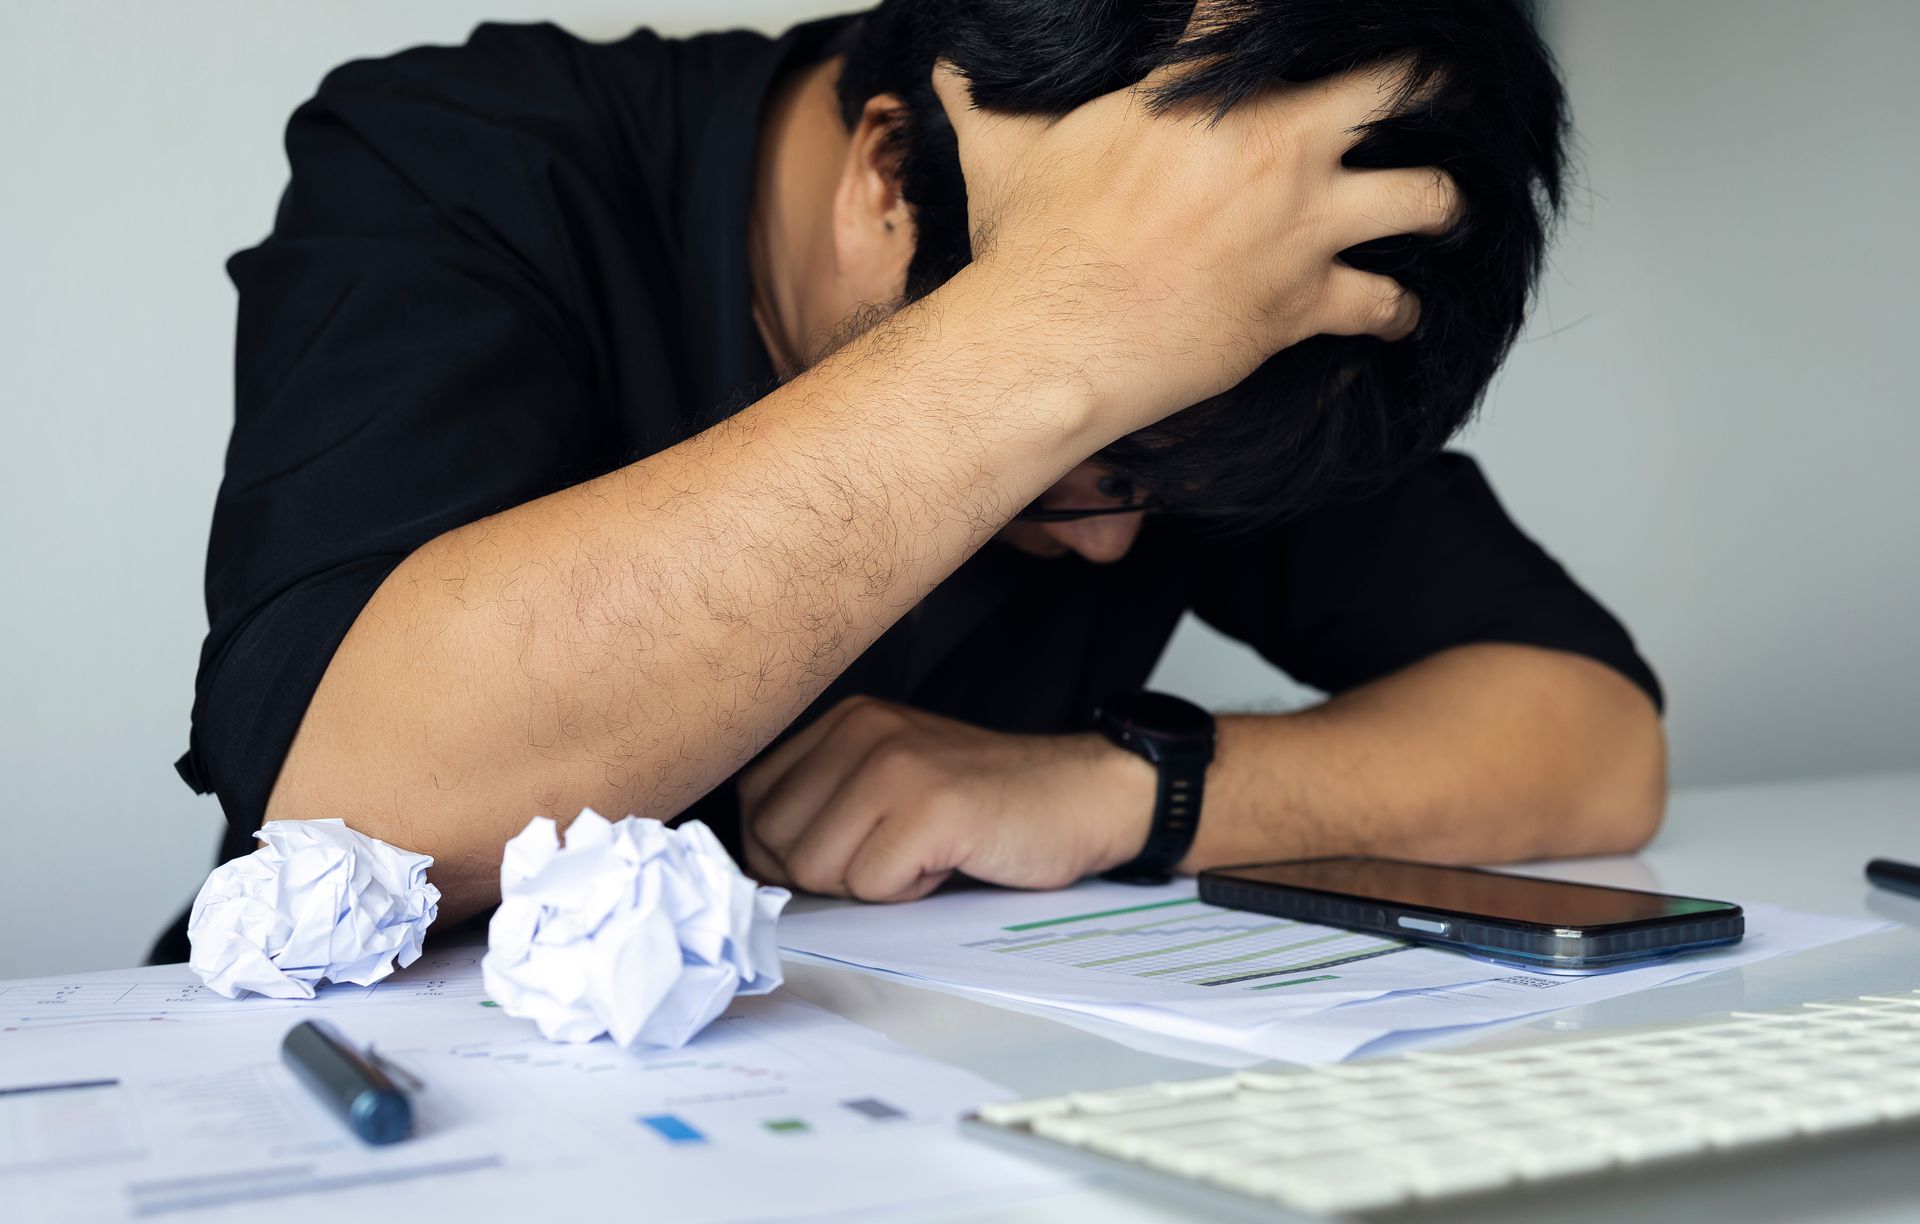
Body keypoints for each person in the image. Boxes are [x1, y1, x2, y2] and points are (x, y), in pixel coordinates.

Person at [160, 0, 1665, 959]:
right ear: (888, 173)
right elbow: (354, 796)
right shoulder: (467, 156)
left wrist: (1119, 792)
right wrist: (1052, 327)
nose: (1114, 546)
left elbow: (1593, 744)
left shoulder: (1239, 335)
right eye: (1085, 462)